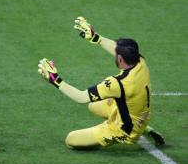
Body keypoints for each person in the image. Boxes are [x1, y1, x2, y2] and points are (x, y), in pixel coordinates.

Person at [37, 16, 164, 149]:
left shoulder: (117, 84)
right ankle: (145, 128)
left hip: (125, 130)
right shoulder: (140, 61)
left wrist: (55, 80)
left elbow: (81, 97)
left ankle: (110, 137)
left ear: (120, 59)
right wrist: (94, 37)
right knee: (93, 106)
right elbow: (119, 49)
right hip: (139, 114)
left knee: (71, 139)